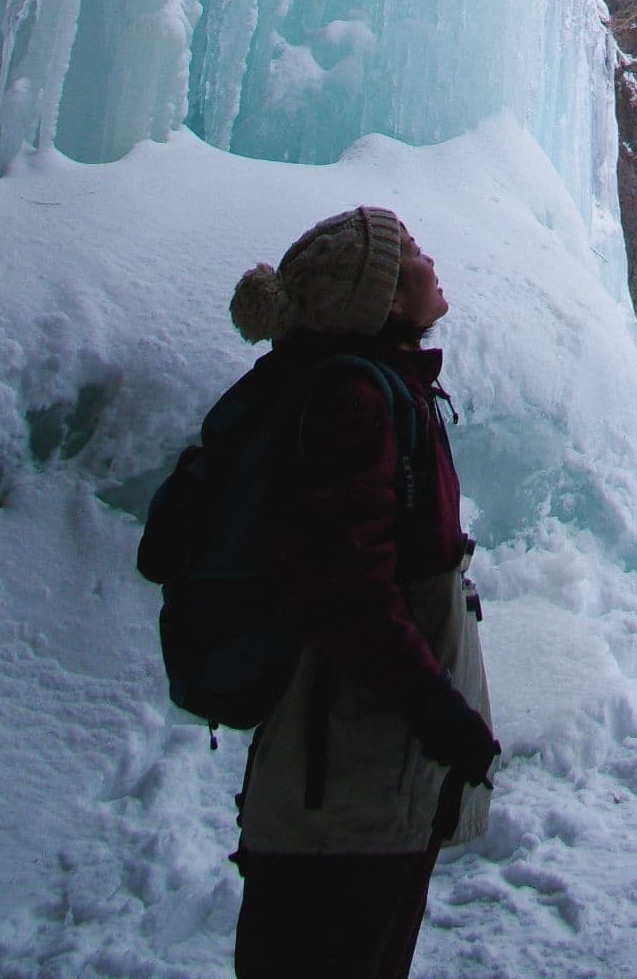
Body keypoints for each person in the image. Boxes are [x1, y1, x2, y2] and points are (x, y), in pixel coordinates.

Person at [225, 206, 499, 979]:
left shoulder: (374, 388)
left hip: (349, 780)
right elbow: (349, 592)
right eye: (409, 252)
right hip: (346, 784)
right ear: (379, 297)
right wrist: (440, 715)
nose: (429, 258)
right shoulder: (358, 401)